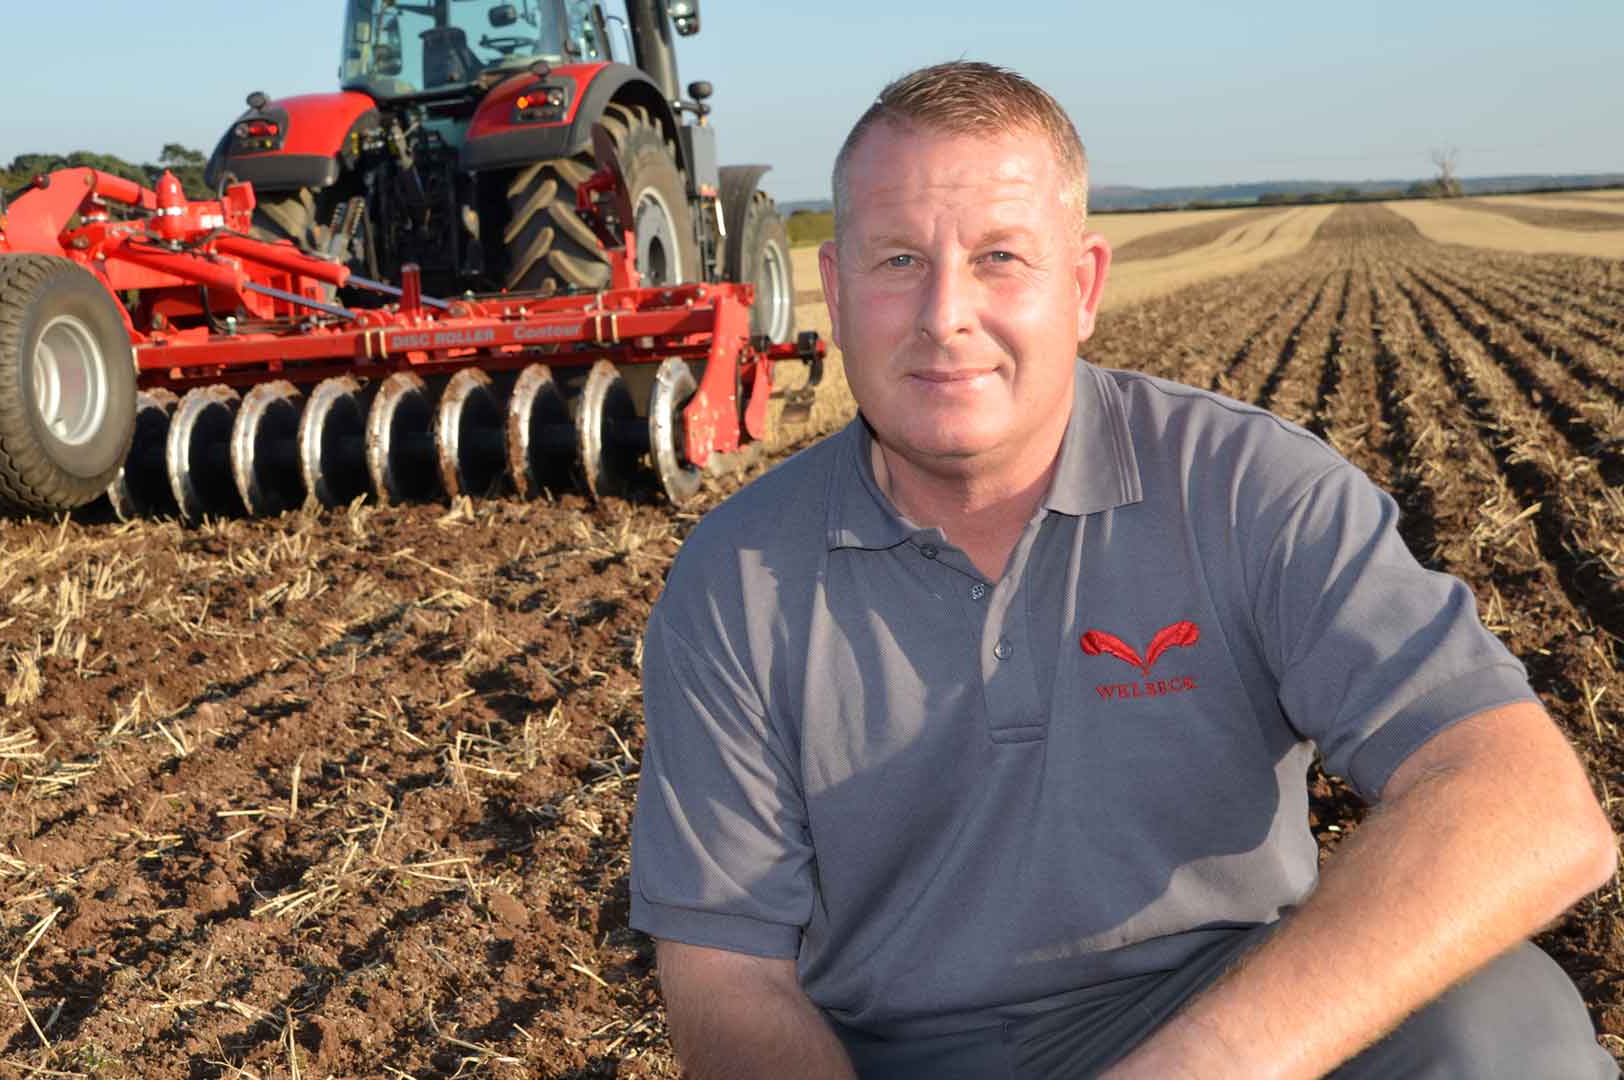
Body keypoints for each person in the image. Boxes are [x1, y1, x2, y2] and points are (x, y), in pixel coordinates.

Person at [628, 60, 1619, 1078]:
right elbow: (727, 974)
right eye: (897, 263)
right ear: (835, 292)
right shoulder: (738, 580)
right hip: (910, 1056)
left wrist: (1204, 1065)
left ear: (1084, 285)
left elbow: (1527, 805)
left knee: (1510, 1027)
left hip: (1232, 1016)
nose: (945, 315)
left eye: (1001, 257)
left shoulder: (1244, 488)